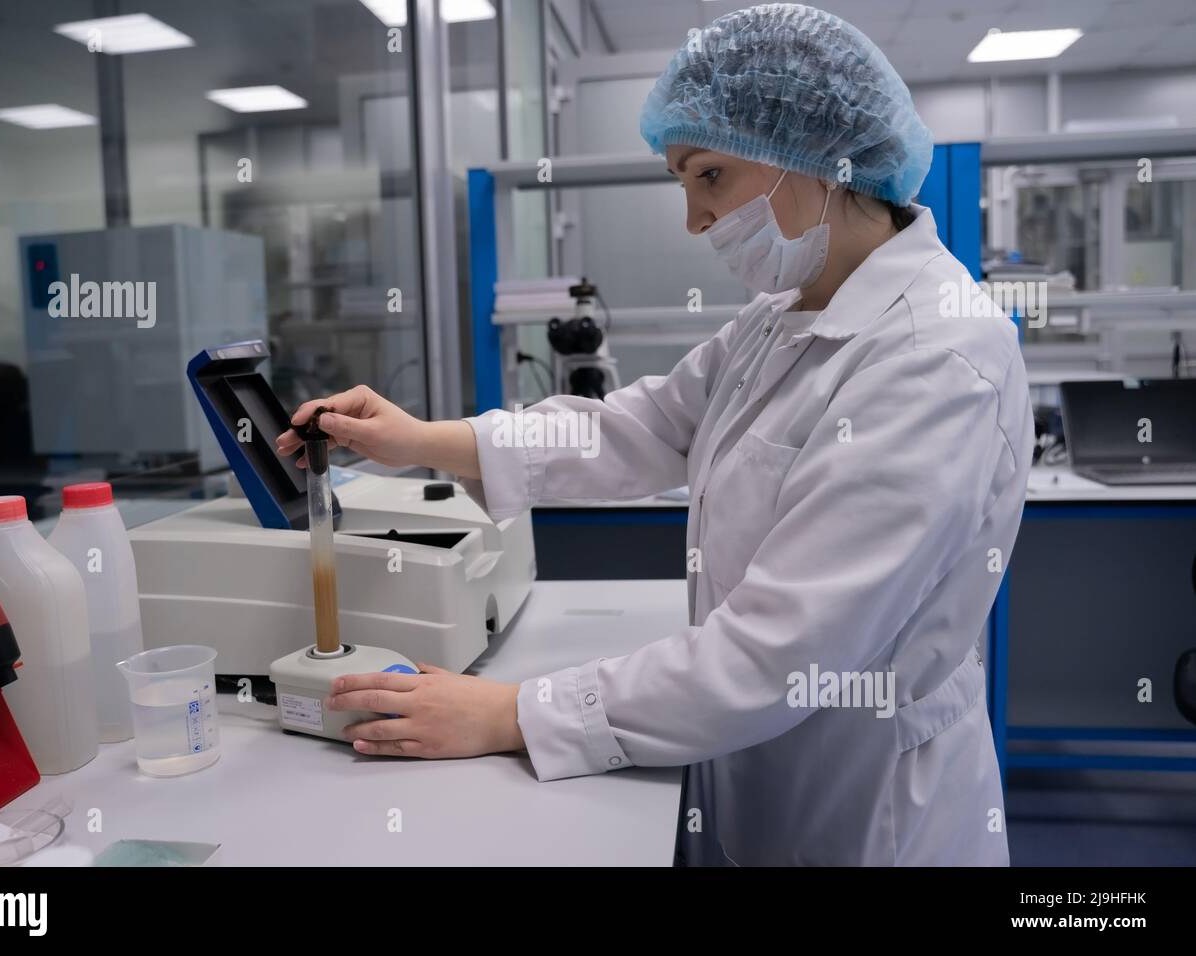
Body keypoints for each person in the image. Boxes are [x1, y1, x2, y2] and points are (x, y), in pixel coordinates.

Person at [276, 3, 1032, 866]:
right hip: (755, 770)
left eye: (708, 175)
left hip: (871, 811)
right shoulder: (782, 316)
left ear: (825, 156)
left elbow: (777, 656)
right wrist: (421, 441)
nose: (694, 220)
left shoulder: (938, 357)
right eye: (683, 184)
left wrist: (511, 713)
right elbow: (644, 425)